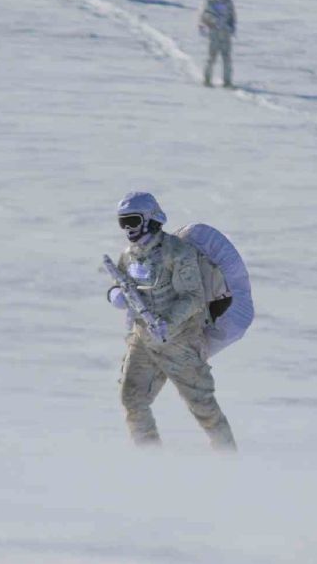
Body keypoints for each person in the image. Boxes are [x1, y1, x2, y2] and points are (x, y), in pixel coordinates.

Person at [106, 192, 237, 451]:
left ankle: (228, 458)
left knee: (203, 407)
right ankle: (150, 458)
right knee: (132, 399)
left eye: (133, 221)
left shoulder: (177, 253)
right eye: (123, 223)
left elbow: (193, 297)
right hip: (143, 339)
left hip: (180, 341)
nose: (128, 229)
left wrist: (167, 322)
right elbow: (118, 283)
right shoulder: (129, 255)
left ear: (149, 219)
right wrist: (115, 296)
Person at [199, 0, 236, 88]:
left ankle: (227, 81)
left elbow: (232, 17)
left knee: (227, 58)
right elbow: (204, 16)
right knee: (211, 57)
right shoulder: (209, 2)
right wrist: (211, 22)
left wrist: (232, 27)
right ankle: (207, 80)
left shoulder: (228, 2)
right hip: (214, 32)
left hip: (225, 33)